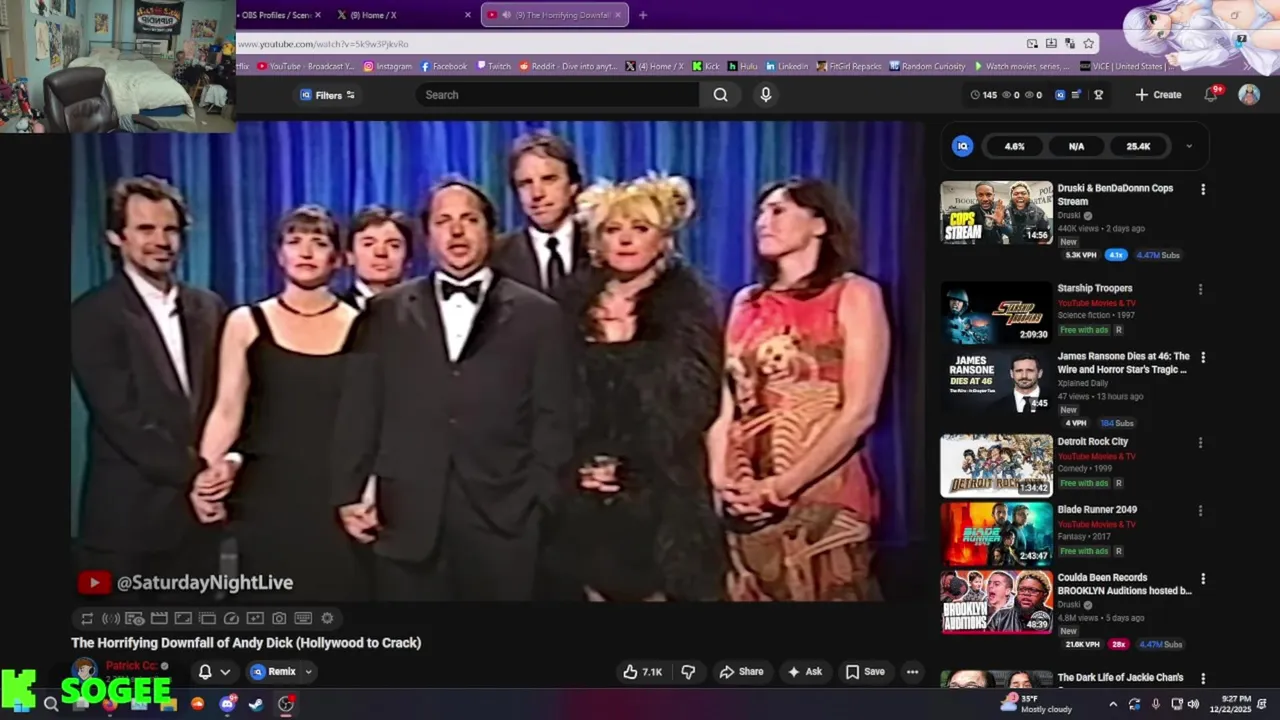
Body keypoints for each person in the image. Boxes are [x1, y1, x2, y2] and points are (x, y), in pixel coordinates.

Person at [332, 178, 574, 601]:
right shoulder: (386, 312)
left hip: (505, 519)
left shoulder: (539, 315)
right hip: (407, 519)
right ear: (428, 236)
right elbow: (361, 409)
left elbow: (554, 416)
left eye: (469, 220)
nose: (457, 231)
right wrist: (349, 492)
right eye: (443, 221)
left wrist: (539, 500)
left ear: (491, 232)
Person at [710, 177, 891, 602]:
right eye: (760, 212)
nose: (763, 221)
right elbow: (726, 404)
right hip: (745, 499)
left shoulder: (854, 294)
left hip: (823, 497)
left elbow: (859, 411)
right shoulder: (746, 302)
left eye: (778, 210)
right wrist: (722, 479)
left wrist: (781, 487)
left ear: (819, 224)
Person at [550, 174, 727, 602]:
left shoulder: (689, 310)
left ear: (664, 239)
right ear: (597, 242)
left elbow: (695, 403)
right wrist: (577, 466)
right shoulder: (565, 310)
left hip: (667, 497)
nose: (626, 239)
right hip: (584, 500)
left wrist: (633, 469)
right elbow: (547, 401)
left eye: (640, 228)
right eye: (614, 229)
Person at [192, 205, 368, 601]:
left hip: (338, 495)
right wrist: (206, 477)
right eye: (294, 241)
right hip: (266, 496)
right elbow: (227, 408)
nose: (305, 251)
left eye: (318, 243)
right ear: (279, 255)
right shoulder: (245, 322)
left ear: (338, 258)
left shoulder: (363, 325)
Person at [70, 176, 227, 594]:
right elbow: (124, 419)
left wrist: (223, 470)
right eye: (145, 229)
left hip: (200, 524)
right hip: (129, 526)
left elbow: (227, 400)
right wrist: (199, 476)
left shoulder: (209, 307)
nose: (161, 241)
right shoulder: (92, 315)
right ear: (116, 236)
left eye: (170, 229)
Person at [492, 130, 590, 293]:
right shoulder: (495, 256)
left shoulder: (601, 246)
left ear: (573, 185)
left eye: (549, 179)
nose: (537, 194)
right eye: (525, 183)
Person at [339, 205, 412, 310]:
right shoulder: (333, 310)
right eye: (368, 244)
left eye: (394, 245)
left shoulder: (426, 309)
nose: (381, 252)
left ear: (409, 258)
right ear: (350, 255)